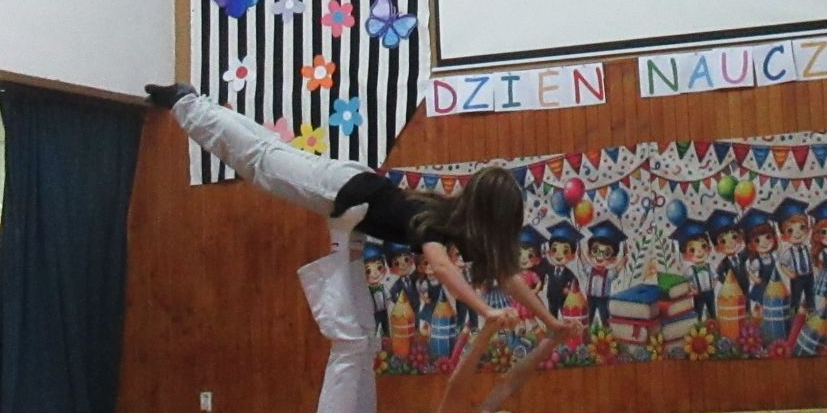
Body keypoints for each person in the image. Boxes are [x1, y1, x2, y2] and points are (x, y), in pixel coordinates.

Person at [147, 84, 581, 334]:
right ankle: (186, 102)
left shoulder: (457, 225)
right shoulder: (433, 224)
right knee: (260, 161)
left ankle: (195, 102)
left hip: (351, 185)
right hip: (340, 187)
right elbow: (442, 268)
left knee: (266, 155)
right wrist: (484, 311)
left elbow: (508, 275)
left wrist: (551, 322)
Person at [298, 225, 560, 413]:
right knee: (367, 340)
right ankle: (353, 243)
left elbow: (457, 385)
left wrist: (487, 331)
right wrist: (554, 338)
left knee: (351, 344)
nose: (486, 412)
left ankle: (338, 239)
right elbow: (508, 383)